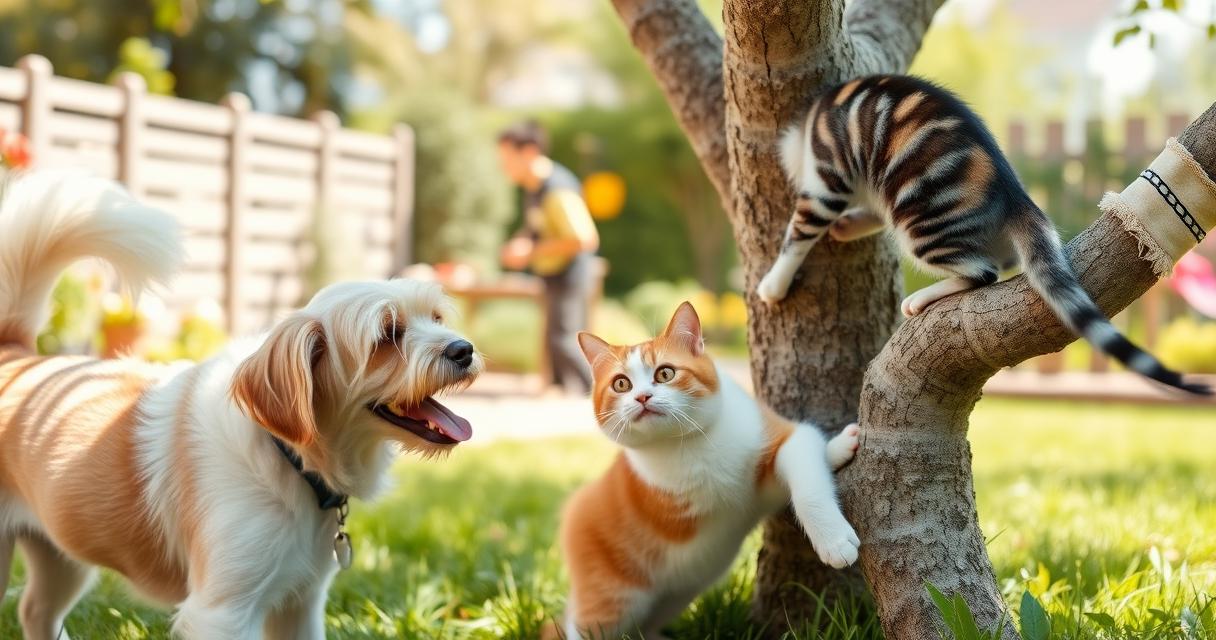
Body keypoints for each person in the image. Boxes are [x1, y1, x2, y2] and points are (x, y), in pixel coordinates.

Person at [497, 120, 599, 395]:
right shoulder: (535, 188)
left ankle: (607, 395)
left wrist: (530, 252)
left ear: (528, 152)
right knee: (555, 342)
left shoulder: (558, 189)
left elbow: (584, 238)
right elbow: (537, 228)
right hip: (554, 276)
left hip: (569, 275)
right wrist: (521, 242)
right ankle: (573, 397)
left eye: (507, 158)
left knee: (566, 340)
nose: (503, 165)